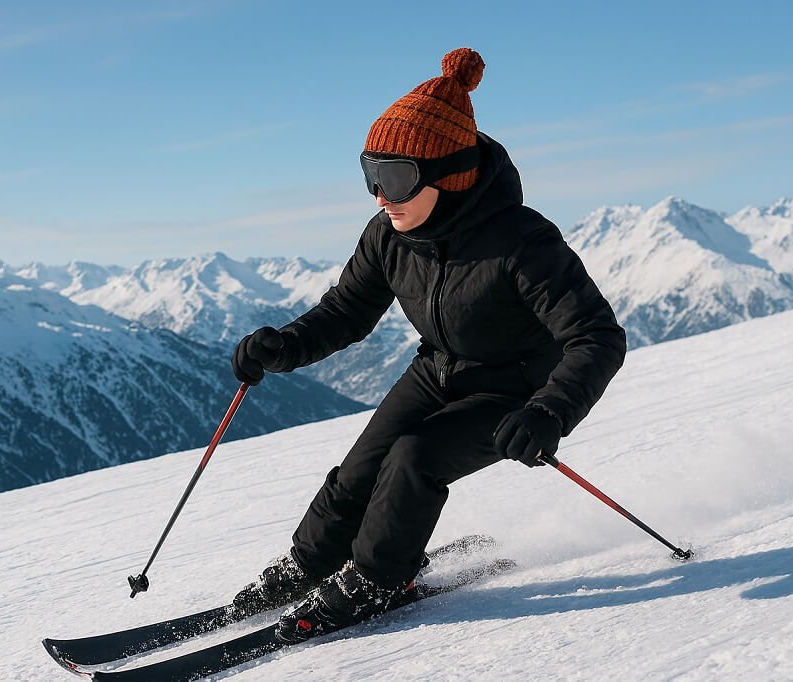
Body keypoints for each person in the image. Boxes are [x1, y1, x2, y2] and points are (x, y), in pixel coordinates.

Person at [230, 47, 626, 643]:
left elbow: (597, 336)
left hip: (515, 385)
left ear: (448, 176)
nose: (379, 196)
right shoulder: (389, 234)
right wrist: (282, 347)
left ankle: (376, 580)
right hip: (438, 368)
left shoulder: (521, 242)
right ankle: (307, 566)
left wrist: (549, 411)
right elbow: (346, 311)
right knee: (362, 468)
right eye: (370, 174)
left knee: (414, 459)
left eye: (394, 178)